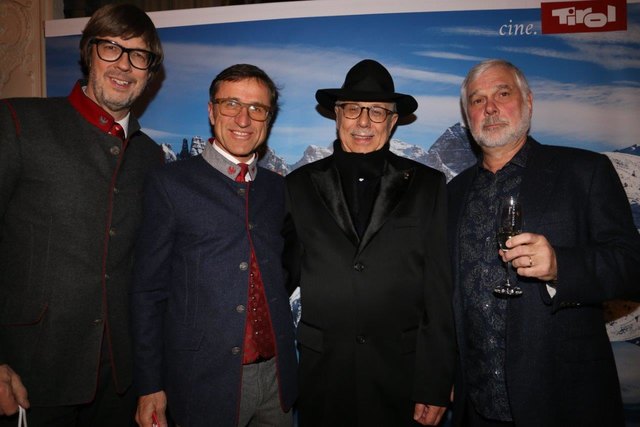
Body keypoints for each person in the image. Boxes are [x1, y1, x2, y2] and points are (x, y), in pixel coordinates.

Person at [447, 58, 640, 427]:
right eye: (476, 99)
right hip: (478, 405)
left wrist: (560, 267)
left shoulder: (584, 171)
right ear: (467, 115)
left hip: (564, 401)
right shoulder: (453, 193)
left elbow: (632, 265)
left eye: (502, 93)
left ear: (528, 101)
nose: (489, 107)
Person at [0, 4, 164, 427]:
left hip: (119, 385)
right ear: (88, 52)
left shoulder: (150, 157)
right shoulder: (19, 122)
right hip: (29, 376)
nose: (125, 64)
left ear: (150, 72)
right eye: (111, 48)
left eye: (139, 55)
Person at [283, 59, 455, 426]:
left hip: (402, 379)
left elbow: (439, 292)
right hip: (322, 378)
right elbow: (281, 273)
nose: (363, 122)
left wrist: (435, 382)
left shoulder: (428, 186)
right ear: (337, 115)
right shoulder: (297, 185)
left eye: (377, 112)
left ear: (393, 122)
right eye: (353, 110)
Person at [131, 64, 298, 427]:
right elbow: (147, 292)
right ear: (211, 111)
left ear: (269, 119)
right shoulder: (169, 184)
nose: (244, 118)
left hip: (277, 381)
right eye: (231, 104)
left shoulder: (278, 189)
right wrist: (149, 385)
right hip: (203, 383)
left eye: (258, 108)